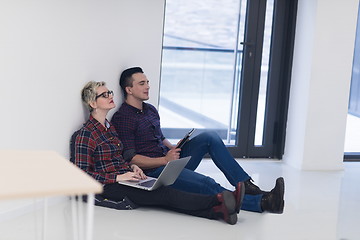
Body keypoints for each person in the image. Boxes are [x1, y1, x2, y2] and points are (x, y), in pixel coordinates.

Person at [111, 67, 285, 214]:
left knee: (209, 137)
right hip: (155, 172)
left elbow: (158, 135)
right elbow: (131, 158)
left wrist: (171, 147)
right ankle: (263, 203)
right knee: (206, 183)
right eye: (142, 83)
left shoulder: (150, 109)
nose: (148, 86)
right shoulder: (123, 118)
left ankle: (246, 185)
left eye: (147, 82)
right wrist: (165, 160)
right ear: (129, 89)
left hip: (169, 160)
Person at [74, 81, 245, 225]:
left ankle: (218, 213)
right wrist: (118, 178)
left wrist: (133, 167)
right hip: (109, 187)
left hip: (126, 177)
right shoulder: (86, 134)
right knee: (163, 193)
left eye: (109, 92)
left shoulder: (109, 128)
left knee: (162, 196)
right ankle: (219, 200)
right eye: (104, 95)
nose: (110, 96)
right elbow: (81, 176)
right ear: (93, 104)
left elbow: (118, 158)